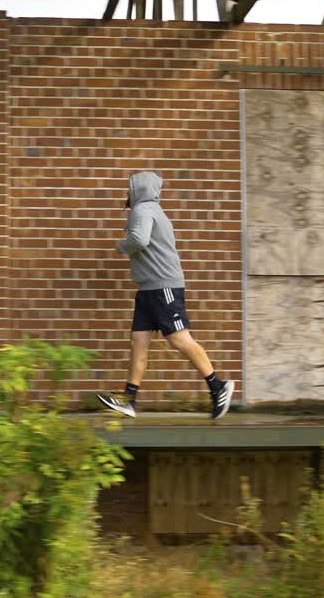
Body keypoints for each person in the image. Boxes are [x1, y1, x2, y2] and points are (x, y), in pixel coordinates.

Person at [96, 171, 235, 419]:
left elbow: (139, 239)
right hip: (148, 289)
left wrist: (121, 245)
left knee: (179, 339)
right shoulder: (149, 210)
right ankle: (130, 400)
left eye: (129, 189)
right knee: (139, 341)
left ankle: (218, 386)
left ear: (138, 190)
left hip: (163, 288)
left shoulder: (143, 209)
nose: (127, 194)